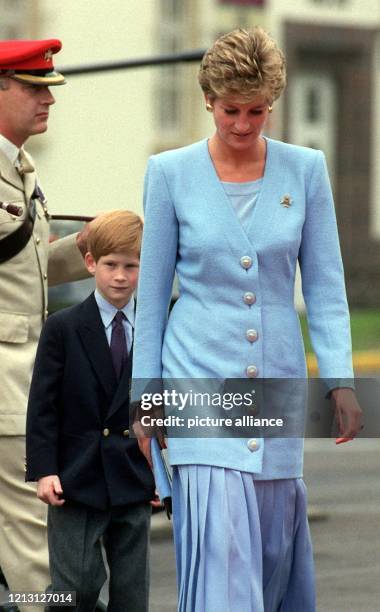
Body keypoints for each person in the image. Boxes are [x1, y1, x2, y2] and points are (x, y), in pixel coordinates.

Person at [131, 27, 363, 612]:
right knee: (221, 557)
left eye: (257, 110)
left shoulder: (306, 170)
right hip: (196, 381)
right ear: (208, 100)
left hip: (276, 382)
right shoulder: (169, 173)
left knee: (270, 553)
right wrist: (144, 398)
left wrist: (340, 378)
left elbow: (327, 287)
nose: (242, 123)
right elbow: (152, 299)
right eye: (231, 109)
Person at [26, 210, 156, 612]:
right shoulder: (62, 328)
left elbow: (166, 406)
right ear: (90, 264)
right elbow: (43, 406)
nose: (120, 276)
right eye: (110, 265)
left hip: (135, 475)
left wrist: (164, 471)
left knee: (133, 594)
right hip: (75, 477)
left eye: (131, 266)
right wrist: (44, 470)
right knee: (75, 588)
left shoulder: (157, 329)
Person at [0, 39, 90, 608]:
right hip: (6, 383)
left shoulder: (19, 169)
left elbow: (22, 269)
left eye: (49, 90)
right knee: (36, 546)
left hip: (24, 377)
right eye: (34, 88)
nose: (46, 100)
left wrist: (92, 246)